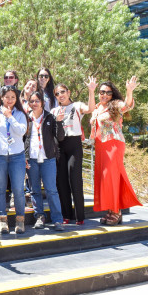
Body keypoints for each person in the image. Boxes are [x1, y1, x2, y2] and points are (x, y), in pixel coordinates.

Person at [90, 77, 141, 226]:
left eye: (108, 92)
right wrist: (91, 91)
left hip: (113, 145)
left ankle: (116, 211)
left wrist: (129, 91)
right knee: (104, 178)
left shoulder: (115, 105)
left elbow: (127, 105)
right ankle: (111, 210)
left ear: (112, 94)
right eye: (102, 92)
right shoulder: (97, 107)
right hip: (100, 146)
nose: (104, 95)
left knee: (110, 176)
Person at [51, 77, 97, 225]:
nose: (60, 95)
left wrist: (91, 91)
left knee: (75, 180)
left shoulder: (77, 106)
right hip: (60, 146)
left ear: (68, 92)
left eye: (63, 92)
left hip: (74, 144)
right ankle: (66, 215)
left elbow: (90, 109)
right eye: (57, 94)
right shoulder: (54, 110)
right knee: (61, 182)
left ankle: (80, 217)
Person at [0, 85, 28, 234]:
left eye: (13, 97)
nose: (9, 100)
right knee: (0, 189)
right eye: (7, 97)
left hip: (17, 156)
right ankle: (2, 219)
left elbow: (21, 131)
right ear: (1, 97)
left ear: (17, 99)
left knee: (17, 190)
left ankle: (20, 220)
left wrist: (10, 116)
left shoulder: (20, 114)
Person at [24, 91, 66, 231]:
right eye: (32, 101)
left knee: (51, 190)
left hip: (48, 159)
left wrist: (59, 122)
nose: (34, 104)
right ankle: (39, 217)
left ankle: (57, 220)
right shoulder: (26, 118)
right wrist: (24, 157)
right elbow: (23, 140)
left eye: (37, 101)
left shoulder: (50, 117)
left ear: (42, 102)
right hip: (32, 159)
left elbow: (60, 137)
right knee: (35, 191)